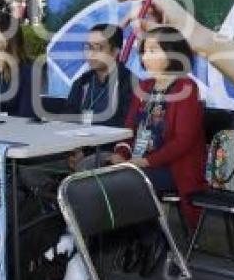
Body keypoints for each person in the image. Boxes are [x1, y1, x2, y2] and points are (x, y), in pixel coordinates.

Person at [110, 26, 207, 228]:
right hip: (137, 162)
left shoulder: (186, 87)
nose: (145, 57)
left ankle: (148, 243)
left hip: (172, 168)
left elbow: (183, 141)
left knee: (124, 183)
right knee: (90, 170)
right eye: (144, 51)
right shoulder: (144, 87)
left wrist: (145, 161)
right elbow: (129, 129)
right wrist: (121, 153)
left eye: (153, 50)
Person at [65, 23, 133, 127]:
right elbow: (68, 117)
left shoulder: (128, 83)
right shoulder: (82, 82)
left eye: (98, 48)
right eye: (88, 47)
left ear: (115, 51)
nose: (91, 54)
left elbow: (127, 123)